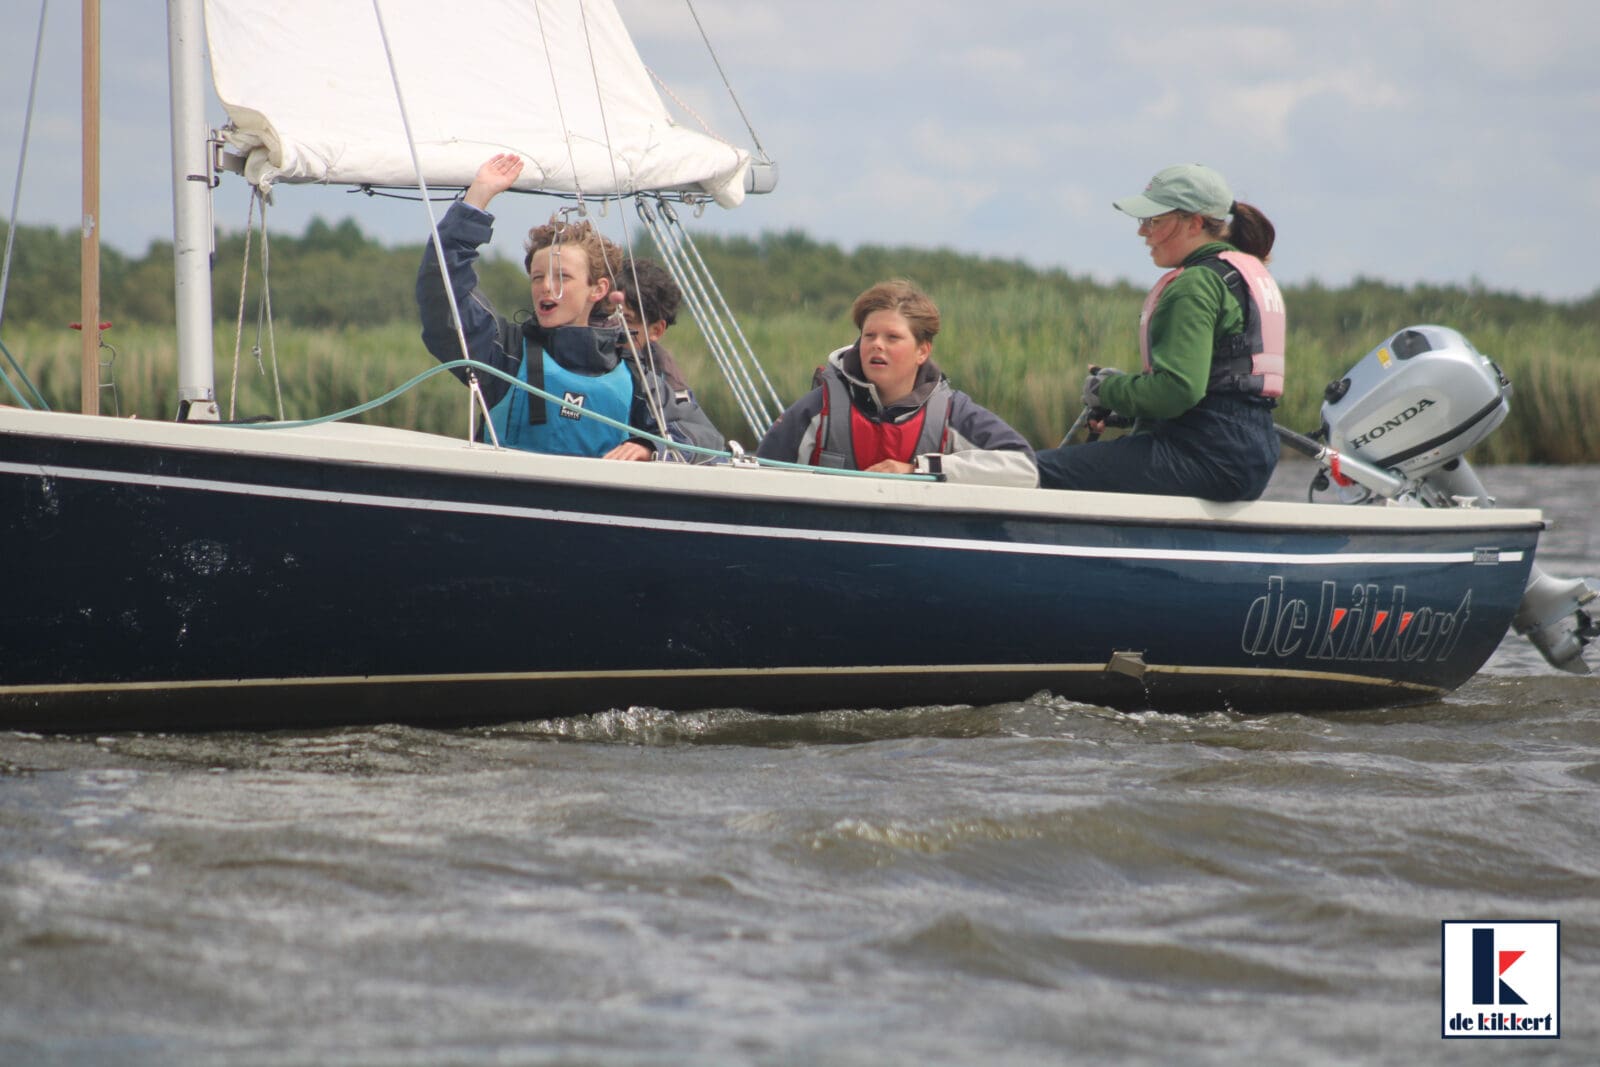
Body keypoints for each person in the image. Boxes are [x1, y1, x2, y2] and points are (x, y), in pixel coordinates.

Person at [1034, 163, 1285, 501]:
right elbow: (1210, 389)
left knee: (1040, 471)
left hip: (1204, 454)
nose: (1143, 232)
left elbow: (1178, 390)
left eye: (1154, 220)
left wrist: (1107, 390)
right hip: (1249, 453)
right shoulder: (1243, 273)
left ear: (1195, 223)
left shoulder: (1196, 284)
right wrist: (1128, 405)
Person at [416, 153, 681, 461]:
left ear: (598, 289)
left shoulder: (636, 374)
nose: (545, 286)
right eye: (537, 277)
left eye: (562, 277)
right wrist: (476, 199)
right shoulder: (504, 353)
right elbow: (442, 291)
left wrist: (653, 448)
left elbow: (699, 439)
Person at [756, 280, 1037, 487]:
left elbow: (1024, 469)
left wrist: (919, 469)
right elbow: (760, 476)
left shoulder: (953, 412)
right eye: (869, 336)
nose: (877, 345)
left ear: (922, 351)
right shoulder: (819, 408)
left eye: (892, 338)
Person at [608, 258, 726, 462]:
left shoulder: (665, 377)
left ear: (656, 330)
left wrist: (654, 447)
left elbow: (711, 441)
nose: (611, 328)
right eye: (606, 317)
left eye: (625, 320)